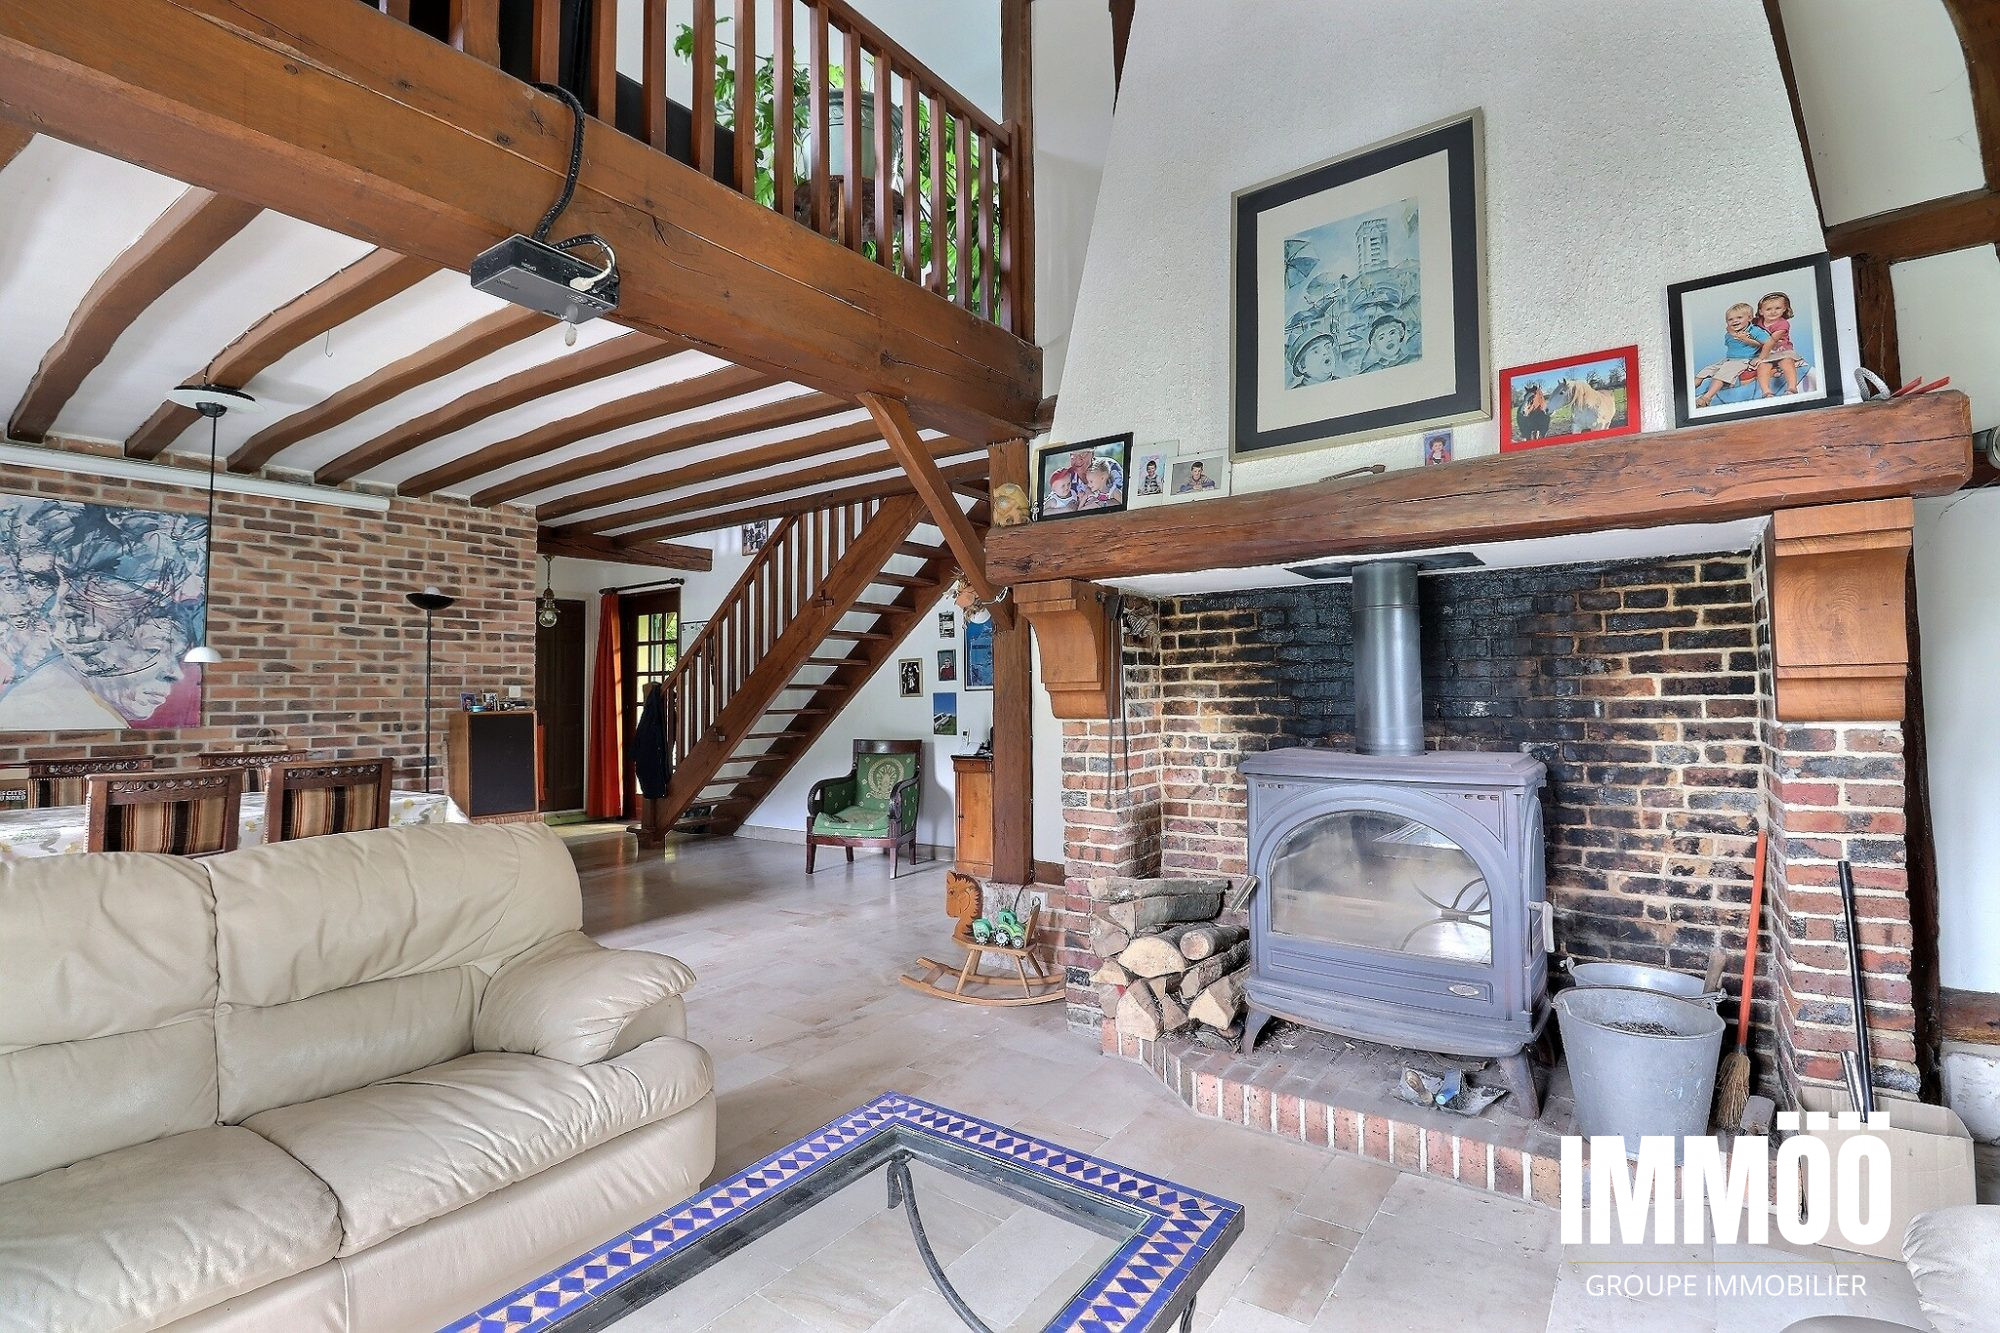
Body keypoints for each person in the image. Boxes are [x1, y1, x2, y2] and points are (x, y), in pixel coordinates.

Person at [1694, 301, 1768, 407]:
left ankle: (1706, 398)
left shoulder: (1754, 331)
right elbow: (1730, 342)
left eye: (1739, 317)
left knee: (1722, 374)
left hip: (1743, 360)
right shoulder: (1729, 334)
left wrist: (1746, 340)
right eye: (1730, 319)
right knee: (1705, 371)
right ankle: (1688, 392)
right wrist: (1733, 333)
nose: (1734, 321)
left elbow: (1767, 343)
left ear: (1749, 318)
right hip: (1728, 359)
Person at [1751, 291, 1806, 396]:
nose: (1773, 312)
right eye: (1768, 309)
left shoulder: (1783, 324)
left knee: (1787, 362)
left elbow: (1771, 341)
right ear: (1761, 311)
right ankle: (1766, 392)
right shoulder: (1758, 322)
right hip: (1767, 353)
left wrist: (1761, 358)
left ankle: (1792, 388)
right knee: (1763, 367)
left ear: (1784, 309)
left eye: (1777, 308)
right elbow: (1746, 323)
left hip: (1782, 351)